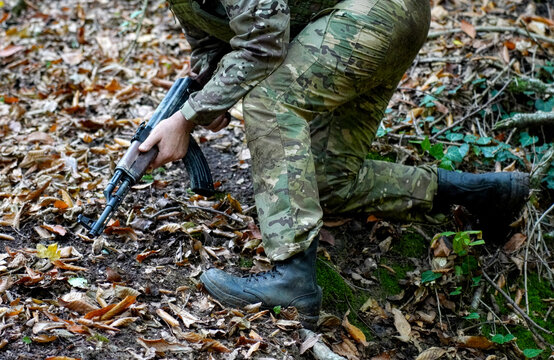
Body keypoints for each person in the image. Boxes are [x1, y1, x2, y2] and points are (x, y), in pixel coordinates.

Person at [138, 0, 529, 328]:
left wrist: (188, 117)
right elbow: (213, 41)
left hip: (374, 12)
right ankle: (485, 193)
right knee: (325, 183)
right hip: (368, 20)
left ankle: (292, 278)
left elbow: (264, 44)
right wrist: (209, 90)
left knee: (269, 102)